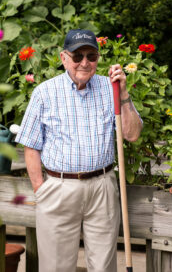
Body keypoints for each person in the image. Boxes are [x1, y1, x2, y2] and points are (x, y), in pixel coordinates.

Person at [15, 29, 143, 272]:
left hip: (102, 186)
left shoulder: (111, 88)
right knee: (55, 266)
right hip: (59, 188)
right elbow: (30, 144)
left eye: (91, 56)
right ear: (64, 58)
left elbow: (133, 134)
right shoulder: (45, 92)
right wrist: (40, 189)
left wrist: (124, 93)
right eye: (77, 56)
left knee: (103, 266)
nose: (85, 62)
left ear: (97, 58)